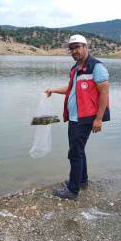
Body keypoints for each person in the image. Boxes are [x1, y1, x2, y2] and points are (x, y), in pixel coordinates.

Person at [45, 34, 110, 200]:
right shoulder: (75, 68)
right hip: (75, 117)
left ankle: (73, 191)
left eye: (77, 47)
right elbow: (70, 89)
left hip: (86, 118)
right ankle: (82, 180)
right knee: (79, 150)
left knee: (74, 153)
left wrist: (98, 119)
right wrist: (53, 90)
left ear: (85, 47)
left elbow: (104, 94)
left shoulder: (96, 67)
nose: (74, 51)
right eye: (71, 48)